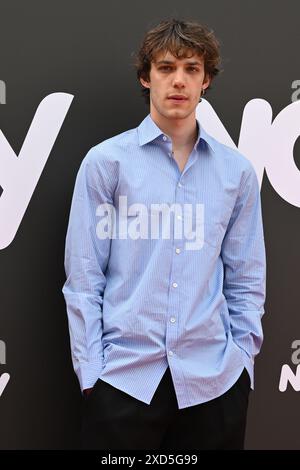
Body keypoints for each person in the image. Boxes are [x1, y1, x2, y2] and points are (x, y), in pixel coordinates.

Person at [62, 18, 266, 450]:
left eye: (192, 68)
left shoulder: (237, 173)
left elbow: (247, 278)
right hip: (123, 382)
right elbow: (84, 278)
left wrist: (242, 362)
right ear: (146, 76)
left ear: (206, 80)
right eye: (166, 67)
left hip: (213, 384)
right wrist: (91, 374)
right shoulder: (106, 163)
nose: (179, 80)